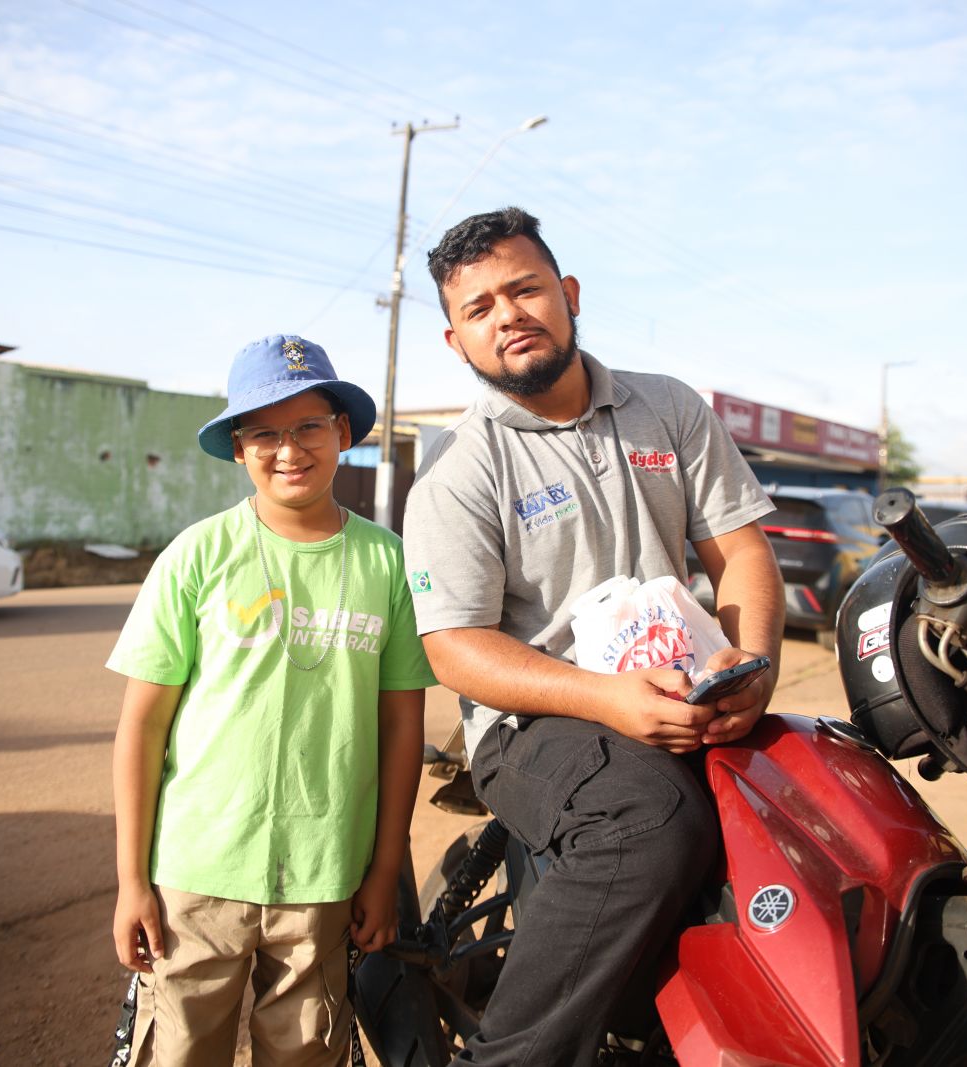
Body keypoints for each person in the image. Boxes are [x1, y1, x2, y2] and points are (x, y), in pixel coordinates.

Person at [401, 207, 786, 1066]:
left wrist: (751, 661)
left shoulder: (670, 409)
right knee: (649, 820)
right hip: (539, 720)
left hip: (686, 693)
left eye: (526, 288)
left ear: (569, 295)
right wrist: (604, 697)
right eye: (480, 308)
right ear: (457, 341)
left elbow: (743, 556)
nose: (509, 315)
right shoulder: (460, 471)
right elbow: (455, 649)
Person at [108, 334, 436, 1067]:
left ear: (342, 433)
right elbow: (142, 724)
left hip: (324, 877)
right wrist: (132, 879)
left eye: (308, 427)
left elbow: (401, 727)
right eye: (263, 432)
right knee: (181, 1051)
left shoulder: (386, 561)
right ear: (236, 448)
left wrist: (385, 870)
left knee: (307, 1051)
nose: (288, 449)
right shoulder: (197, 555)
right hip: (196, 874)